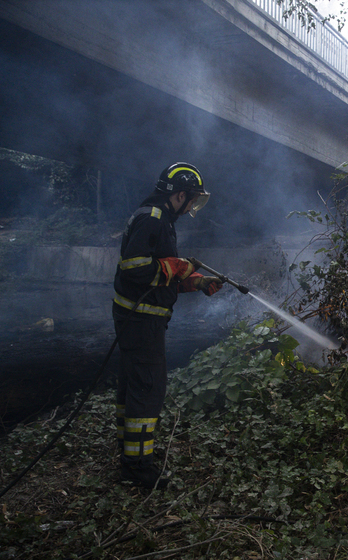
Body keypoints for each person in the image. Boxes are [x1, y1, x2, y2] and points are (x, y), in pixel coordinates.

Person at [113, 162, 223, 489]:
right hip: (141, 320)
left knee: (134, 386)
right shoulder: (153, 219)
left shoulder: (158, 218)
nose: (192, 206)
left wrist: (197, 282)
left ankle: (128, 456)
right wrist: (176, 265)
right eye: (192, 199)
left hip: (138, 318)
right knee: (148, 390)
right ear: (179, 195)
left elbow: (159, 278)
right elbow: (134, 267)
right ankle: (139, 470)